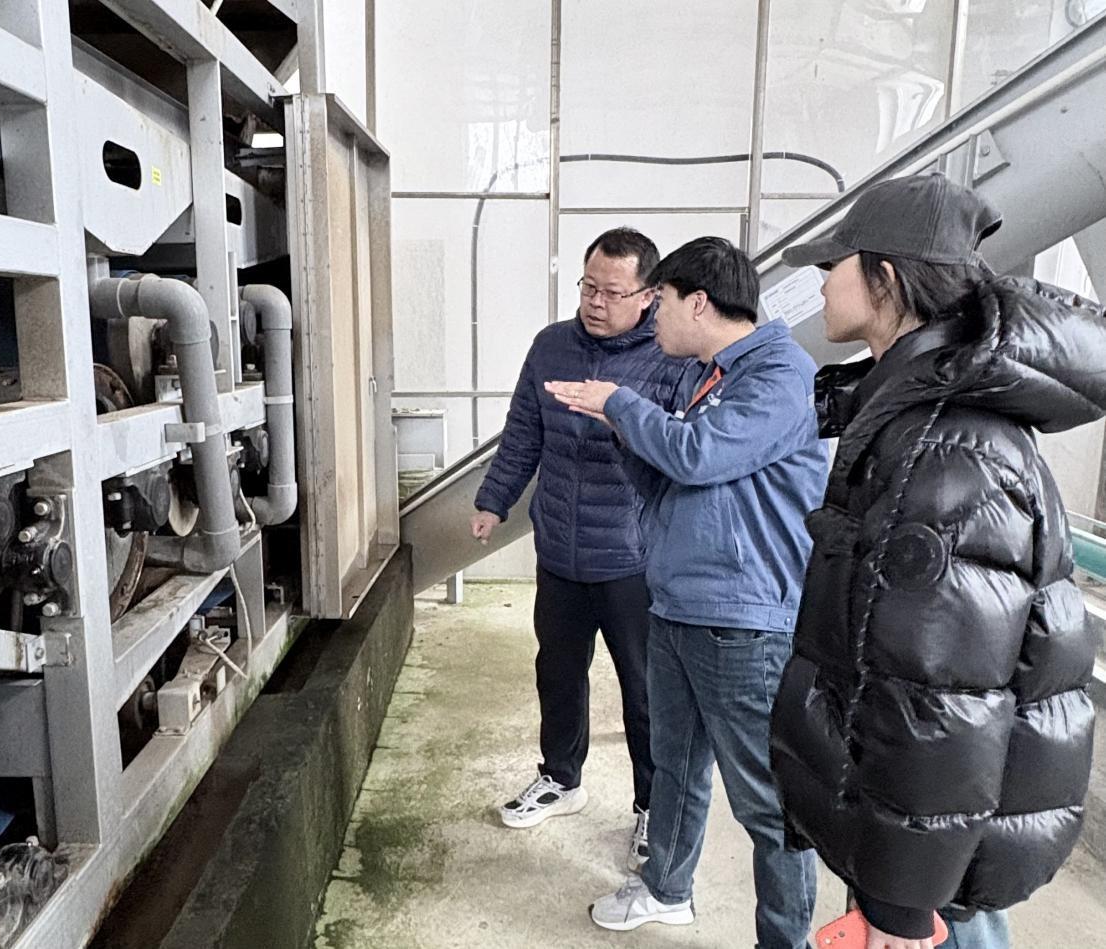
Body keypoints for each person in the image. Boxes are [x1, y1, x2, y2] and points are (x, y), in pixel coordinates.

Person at [769, 172, 1106, 949]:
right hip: (932, 831)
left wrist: (898, 903)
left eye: (834, 265)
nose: (821, 284)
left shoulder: (946, 451)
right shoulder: (921, 416)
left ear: (884, 279)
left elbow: (940, 698)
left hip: (932, 853)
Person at [548, 236, 828, 947]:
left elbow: (698, 456)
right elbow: (673, 477)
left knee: (766, 801)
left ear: (697, 302)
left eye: (660, 302)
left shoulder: (778, 374)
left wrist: (621, 403)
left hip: (742, 618)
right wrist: (622, 428)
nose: (652, 317)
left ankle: (785, 938)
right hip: (679, 604)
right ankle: (666, 888)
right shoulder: (712, 374)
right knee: (674, 766)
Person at [471, 227, 688, 870]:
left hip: (631, 558)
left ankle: (652, 805)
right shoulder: (551, 346)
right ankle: (561, 778)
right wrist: (494, 500)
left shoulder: (670, 357)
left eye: (612, 292)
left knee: (645, 691)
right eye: (588, 286)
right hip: (560, 552)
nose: (595, 301)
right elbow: (522, 433)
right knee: (558, 672)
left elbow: (682, 451)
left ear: (648, 296)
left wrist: (620, 418)